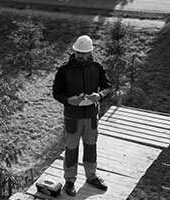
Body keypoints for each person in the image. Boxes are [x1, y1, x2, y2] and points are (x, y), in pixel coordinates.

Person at [52, 35, 113, 196]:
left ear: (90, 53)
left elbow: (108, 87)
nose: (80, 56)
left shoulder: (97, 68)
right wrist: (68, 100)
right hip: (72, 117)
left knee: (91, 147)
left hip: (91, 116)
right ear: (74, 51)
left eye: (83, 53)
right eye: (78, 52)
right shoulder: (64, 70)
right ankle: (70, 180)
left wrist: (99, 96)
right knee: (71, 149)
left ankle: (91, 176)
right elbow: (56, 93)